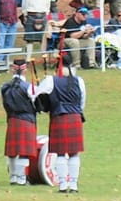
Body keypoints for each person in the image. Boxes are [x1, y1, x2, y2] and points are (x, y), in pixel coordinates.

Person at [36, 55, 86, 193]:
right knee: (74, 154)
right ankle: (74, 185)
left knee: (60, 153)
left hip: (59, 117)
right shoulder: (79, 81)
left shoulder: (51, 80)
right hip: (75, 117)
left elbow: (37, 96)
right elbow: (82, 101)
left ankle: (63, 184)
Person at [0, 58, 41, 186]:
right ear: (25, 70)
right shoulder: (30, 88)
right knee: (24, 152)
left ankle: (13, 177)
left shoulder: (4, 87)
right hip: (27, 120)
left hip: (12, 119)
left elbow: (4, 103)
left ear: (13, 69)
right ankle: (22, 178)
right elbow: (38, 105)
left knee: (12, 152)